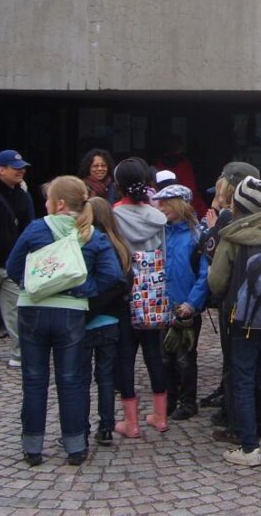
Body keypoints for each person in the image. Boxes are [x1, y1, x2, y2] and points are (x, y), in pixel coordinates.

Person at [6, 176, 122, 466]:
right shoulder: (92, 234)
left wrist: (33, 284)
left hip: (32, 310)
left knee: (33, 380)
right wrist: (83, 289)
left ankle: (32, 447)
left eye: (47, 199)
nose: (44, 204)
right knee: (71, 380)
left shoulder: (36, 229)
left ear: (58, 203)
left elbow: (12, 267)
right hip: (71, 312)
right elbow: (112, 275)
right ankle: (75, 447)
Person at [208, 176, 261, 468]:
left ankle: (248, 445)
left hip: (240, 318)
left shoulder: (231, 238)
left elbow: (216, 282)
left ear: (238, 206)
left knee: (242, 378)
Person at [111, 157, 169, 438]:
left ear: (118, 185)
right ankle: (160, 416)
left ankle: (130, 422)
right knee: (154, 354)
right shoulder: (158, 217)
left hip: (125, 293)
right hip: (153, 292)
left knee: (125, 357)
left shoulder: (113, 217)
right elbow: (165, 256)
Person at [154, 183, 207, 421]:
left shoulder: (197, 236)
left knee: (185, 357)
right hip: (163, 304)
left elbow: (205, 274)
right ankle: (170, 399)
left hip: (185, 304)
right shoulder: (161, 233)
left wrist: (192, 303)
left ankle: (188, 401)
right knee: (165, 357)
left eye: (166, 203)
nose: (161, 207)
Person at [83, 197, 132, 447]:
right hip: (114, 319)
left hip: (91, 317)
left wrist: (89, 308)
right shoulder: (120, 244)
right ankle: (106, 426)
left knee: (81, 376)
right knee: (106, 376)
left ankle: (81, 428)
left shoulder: (89, 244)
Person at [0, 149, 35, 368]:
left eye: (22, 168)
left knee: (16, 313)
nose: (21, 171)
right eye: (16, 168)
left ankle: (19, 354)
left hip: (11, 265)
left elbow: (28, 227)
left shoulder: (23, 196)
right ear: (1, 170)